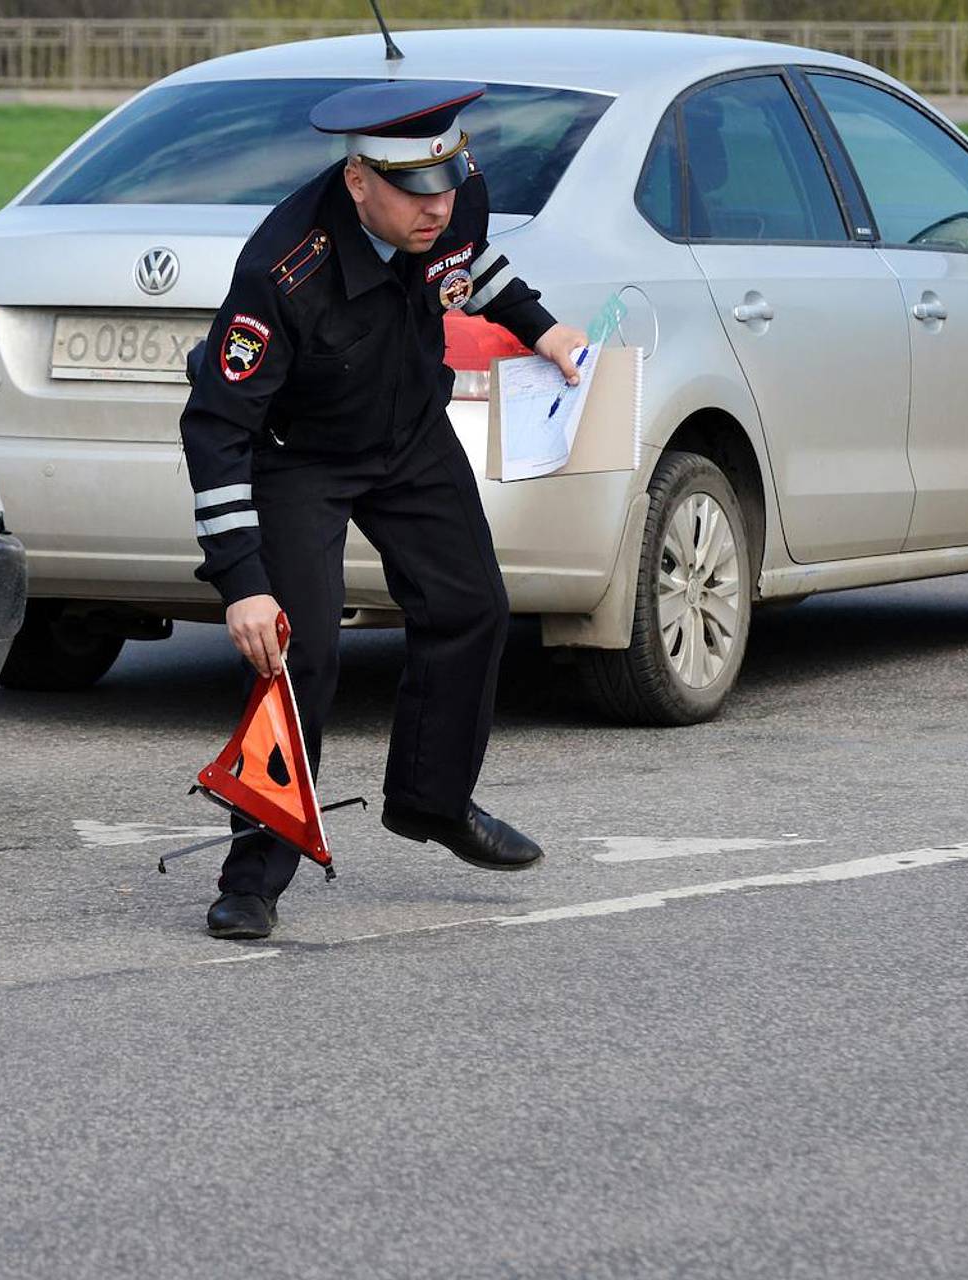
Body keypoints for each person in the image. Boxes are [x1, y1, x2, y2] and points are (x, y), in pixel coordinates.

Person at [180, 80, 588, 940]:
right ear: (359, 181)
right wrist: (243, 583)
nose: (437, 205)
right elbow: (215, 427)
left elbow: (469, 263)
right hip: (301, 460)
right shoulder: (282, 269)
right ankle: (254, 873)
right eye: (414, 190)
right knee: (300, 656)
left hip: (409, 436)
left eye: (447, 181)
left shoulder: (449, 197)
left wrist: (541, 328)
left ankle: (431, 803)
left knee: (473, 608)